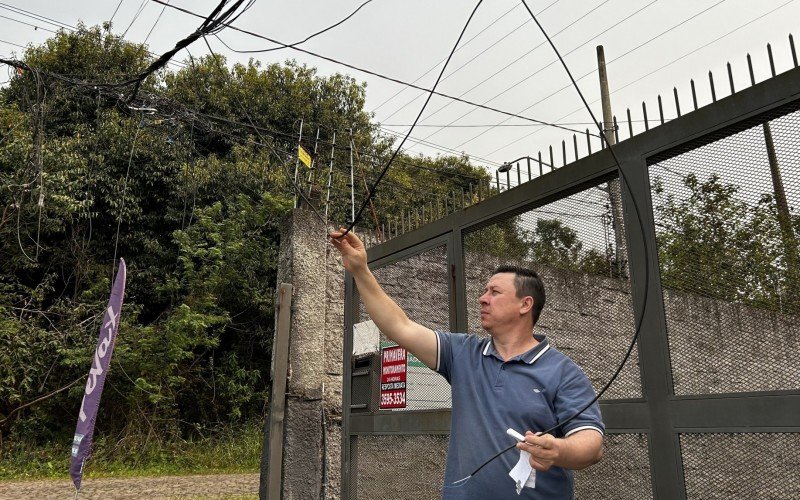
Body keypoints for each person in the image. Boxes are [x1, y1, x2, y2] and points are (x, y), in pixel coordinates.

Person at [330, 228, 604, 499]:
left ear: (525, 304)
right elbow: (399, 326)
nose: (482, 298)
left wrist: (557, 450)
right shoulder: (463, 353)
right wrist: (360, 270)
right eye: (484, 291)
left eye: (494, 292)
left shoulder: (563, 372)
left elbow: (591, 445)